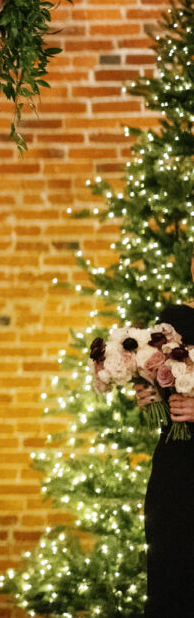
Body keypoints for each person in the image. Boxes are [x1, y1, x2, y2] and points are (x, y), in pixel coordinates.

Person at [136, 255, 194, 617]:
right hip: (177, 471)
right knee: (172, 580)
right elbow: (158, 379)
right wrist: (147, 391)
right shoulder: (173, 320)